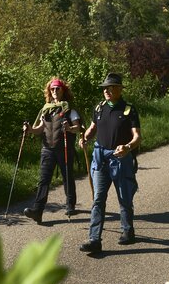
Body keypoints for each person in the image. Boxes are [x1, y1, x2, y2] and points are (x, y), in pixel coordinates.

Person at [79, 72, 141, 254]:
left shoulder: (129, 109)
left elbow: (137, 137)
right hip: (100, 157)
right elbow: (92, 129)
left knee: (124, 197)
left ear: (120, 89)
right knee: (98, 198)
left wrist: (128, 147)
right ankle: (94, 239)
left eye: (111, 87)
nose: (106, 90)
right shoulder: (99, 108)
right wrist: (85, 138)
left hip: (120, 158)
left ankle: (128, 231)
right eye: (105, 87)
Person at [23, 77, 81, 224]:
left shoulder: (69, 109)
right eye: (52, 89)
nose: (54, 91)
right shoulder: (45, 110)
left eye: (57, 88)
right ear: (49, 91)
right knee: (43, 180)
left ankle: (70, 205)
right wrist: (29, 129)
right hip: (47, 149)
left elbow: (78, 128)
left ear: (63, 91)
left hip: (64, 148)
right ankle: (37, 210)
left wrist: (69, 128)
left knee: (67, 176)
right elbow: (39, 129)